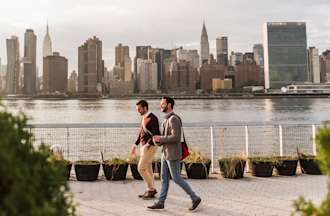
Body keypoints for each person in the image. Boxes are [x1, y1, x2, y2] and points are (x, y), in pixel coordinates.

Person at [148, 96, 201, 211]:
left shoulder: (173, 119)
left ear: (169, 105)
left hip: (173, 154)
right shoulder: (165, 119)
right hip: (165, 153)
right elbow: (165, 138)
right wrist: (157, 141)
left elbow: (176, 137)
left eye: (163, 104)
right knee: (164, 178)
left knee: (176, 178)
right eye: (160, 104)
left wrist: (160, 138)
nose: (160, 106)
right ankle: (161, 202)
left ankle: (195, 197)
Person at [132, 100, 160, 200]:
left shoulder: (153, 118)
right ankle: (151, 190)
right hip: (144, 147)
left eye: (139, 109)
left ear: (145, 108)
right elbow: (141, 133)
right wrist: (135, 145)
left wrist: (148, 144)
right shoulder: (144, 118)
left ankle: (151, 189)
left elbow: (156, 134)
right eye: (137, 109)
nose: (138, 111)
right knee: (148, 169)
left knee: (141, 168)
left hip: (150, 146)